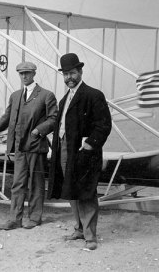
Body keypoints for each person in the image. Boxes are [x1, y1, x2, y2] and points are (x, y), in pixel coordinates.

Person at [48, 53, 112, 250]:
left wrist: (90, 145)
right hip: (64, 150)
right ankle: (79, 228)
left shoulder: (93, 95)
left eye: (72, 73)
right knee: (70, 189)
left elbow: (103, 125)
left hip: (84, 152)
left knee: (86, 191)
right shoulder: (64, 99)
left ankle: (90, 236)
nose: (69, 77)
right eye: (66, 74)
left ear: (80, 71)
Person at [0, 61, 57, 230]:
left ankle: (34, 218)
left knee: (36, 183)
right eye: (21, 73)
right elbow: (7, 118)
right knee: (18, 184)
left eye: (27, 73)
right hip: (19, 147)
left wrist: (38, 131)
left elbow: (53, 119)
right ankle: (15, 219)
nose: (24, 76)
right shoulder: (15, 95)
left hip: (35, 146)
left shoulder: (46, 95)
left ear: (34, 74)